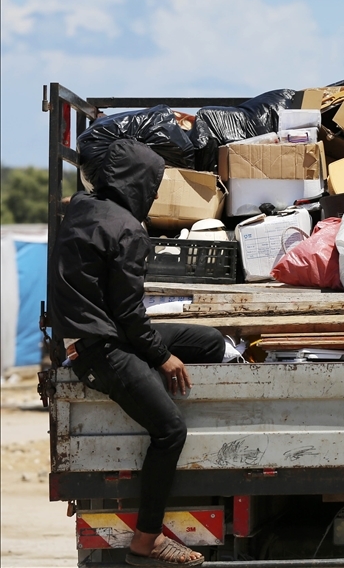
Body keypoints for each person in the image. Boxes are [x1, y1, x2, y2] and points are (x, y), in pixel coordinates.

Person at [51, 140, 224, 567]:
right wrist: (162, 360)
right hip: (100, 349)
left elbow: (69, 200)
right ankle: (146, 542)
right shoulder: (127, 228)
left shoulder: (82, 209)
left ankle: (156, 385)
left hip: (108, 333)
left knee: (210, 342)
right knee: (170, 431)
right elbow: (130, 312)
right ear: (140, 183)